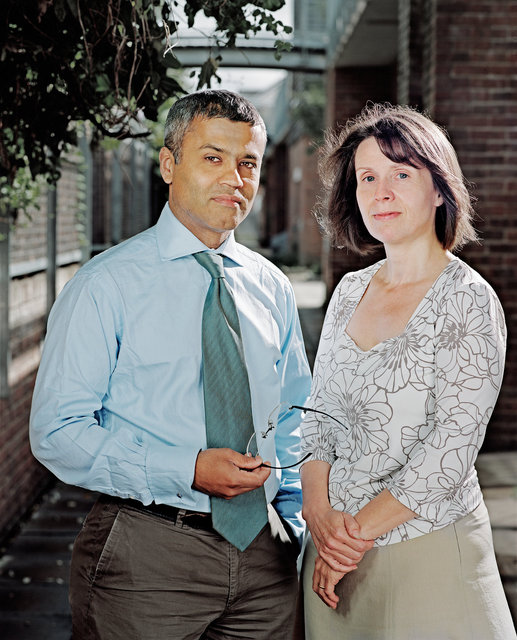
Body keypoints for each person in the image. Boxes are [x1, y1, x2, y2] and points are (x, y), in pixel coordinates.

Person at [30, 89, 312, 640]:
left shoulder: (271, 286)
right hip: (146, 557)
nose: (234, 177)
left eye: (247, 162)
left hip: (266, 556)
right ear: (168, 164)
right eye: (213, 157)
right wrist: (186, 469)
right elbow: (57, 433)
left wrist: (294, 522)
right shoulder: (105, 285)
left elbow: (296, 414)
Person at [299, 103, 516, 639]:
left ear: (440, 188)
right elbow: (318, 417)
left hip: (427, 553)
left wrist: (349, 540)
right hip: (332, 560)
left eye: (401, 174)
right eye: (367, 177)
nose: (381, 192)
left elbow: (450, 449)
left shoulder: (468, 300)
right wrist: (317, 514)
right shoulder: (350, 292)